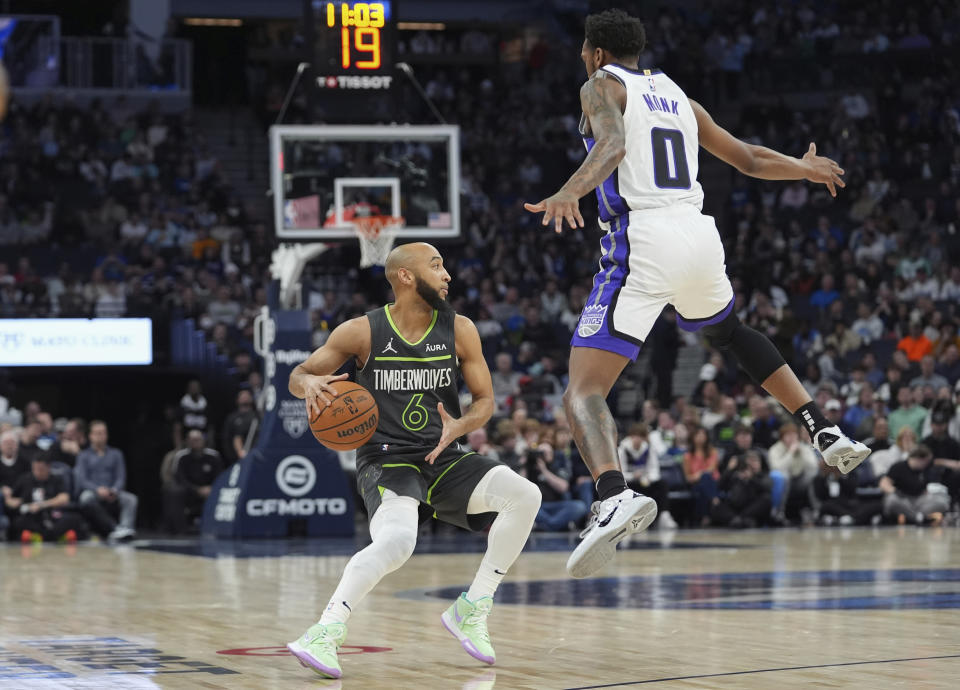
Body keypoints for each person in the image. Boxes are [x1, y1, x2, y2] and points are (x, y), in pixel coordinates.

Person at [523, 8, 869, 578]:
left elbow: (608, 145)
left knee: (582, 392)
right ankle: (821, 427)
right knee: (729, 333)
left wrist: (568, 191)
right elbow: (751, 159)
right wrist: (802, 170)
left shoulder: (599, 85)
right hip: (699, 235)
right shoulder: (680, 98)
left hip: (645, 237)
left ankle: (612, 496)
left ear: (595, 53)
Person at [285, 243, 540, 678]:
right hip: (388, 459)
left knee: (525, 495)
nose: (447, 276)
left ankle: (473, 606)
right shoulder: (361, 331)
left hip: (444, 453)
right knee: (398, 542)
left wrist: (463, 425)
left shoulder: (460, 329)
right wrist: (308, 385)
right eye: (437, 266)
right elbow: (298, 375)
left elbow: (484, 402)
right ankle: (325, 631)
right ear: (405, 276)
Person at [74, 420, 137, 541]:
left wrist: (114, 490)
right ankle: (115, 528)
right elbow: (82, 480)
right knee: (85, 498)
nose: (101, 436)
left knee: (131, 499)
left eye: (103, 433)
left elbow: (121, 477)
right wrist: (97, 490)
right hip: (93, 491)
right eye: (97, 433)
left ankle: (126, 528)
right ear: (90, 436)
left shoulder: (116, 454)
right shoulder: (83, 455)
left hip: (112, 491)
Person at [3, 454, 86, 542]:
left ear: (48, 467)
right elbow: (10, 499)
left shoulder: (56, 479)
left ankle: (51, 536)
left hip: (52, 515)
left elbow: (64, 498)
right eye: (34, 469)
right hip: (31, 517)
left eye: (41, 469)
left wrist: (42, 505)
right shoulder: (25, 479)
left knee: (74, 519)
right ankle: (40, 537)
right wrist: (13, 502)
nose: (37, 472)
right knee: (17, 522)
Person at [163, 429, 224, 534]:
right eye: (192, 440)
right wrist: (197, 490)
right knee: (174, 491)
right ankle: (181, 529)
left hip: (210, 489)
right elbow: (180, 478)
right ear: (187, 441)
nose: (195, 442)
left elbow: (221, 477)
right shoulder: (181, 456)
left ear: (203, 440)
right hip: (189, 490)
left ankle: (218, 528)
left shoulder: (213, 456)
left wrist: (211, 488)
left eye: (198, 439)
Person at [617, 422, 676, 528]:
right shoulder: (622, 450)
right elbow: (620, 474)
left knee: (662, 484)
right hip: (629, 483)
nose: (637, 439)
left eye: (640, 436)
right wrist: (633, 476)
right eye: (635, 436)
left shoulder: (649, 449)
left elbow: (654, 470)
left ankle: (664, 516)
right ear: (631, 436)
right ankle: (626, 518)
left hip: (645, 481)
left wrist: (648, 477)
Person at [880, 445, 950, 525]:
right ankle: (919, 518)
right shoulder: (898, 467)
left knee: (942, 502)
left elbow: (925, 489)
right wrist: (894, 490)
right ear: (919, 459)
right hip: (903, 499)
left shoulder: (925, 470)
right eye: (926, 461)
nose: (927, 464)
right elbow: (884, 483)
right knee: (891, 500)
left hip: (919, 501)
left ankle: (913, 516)